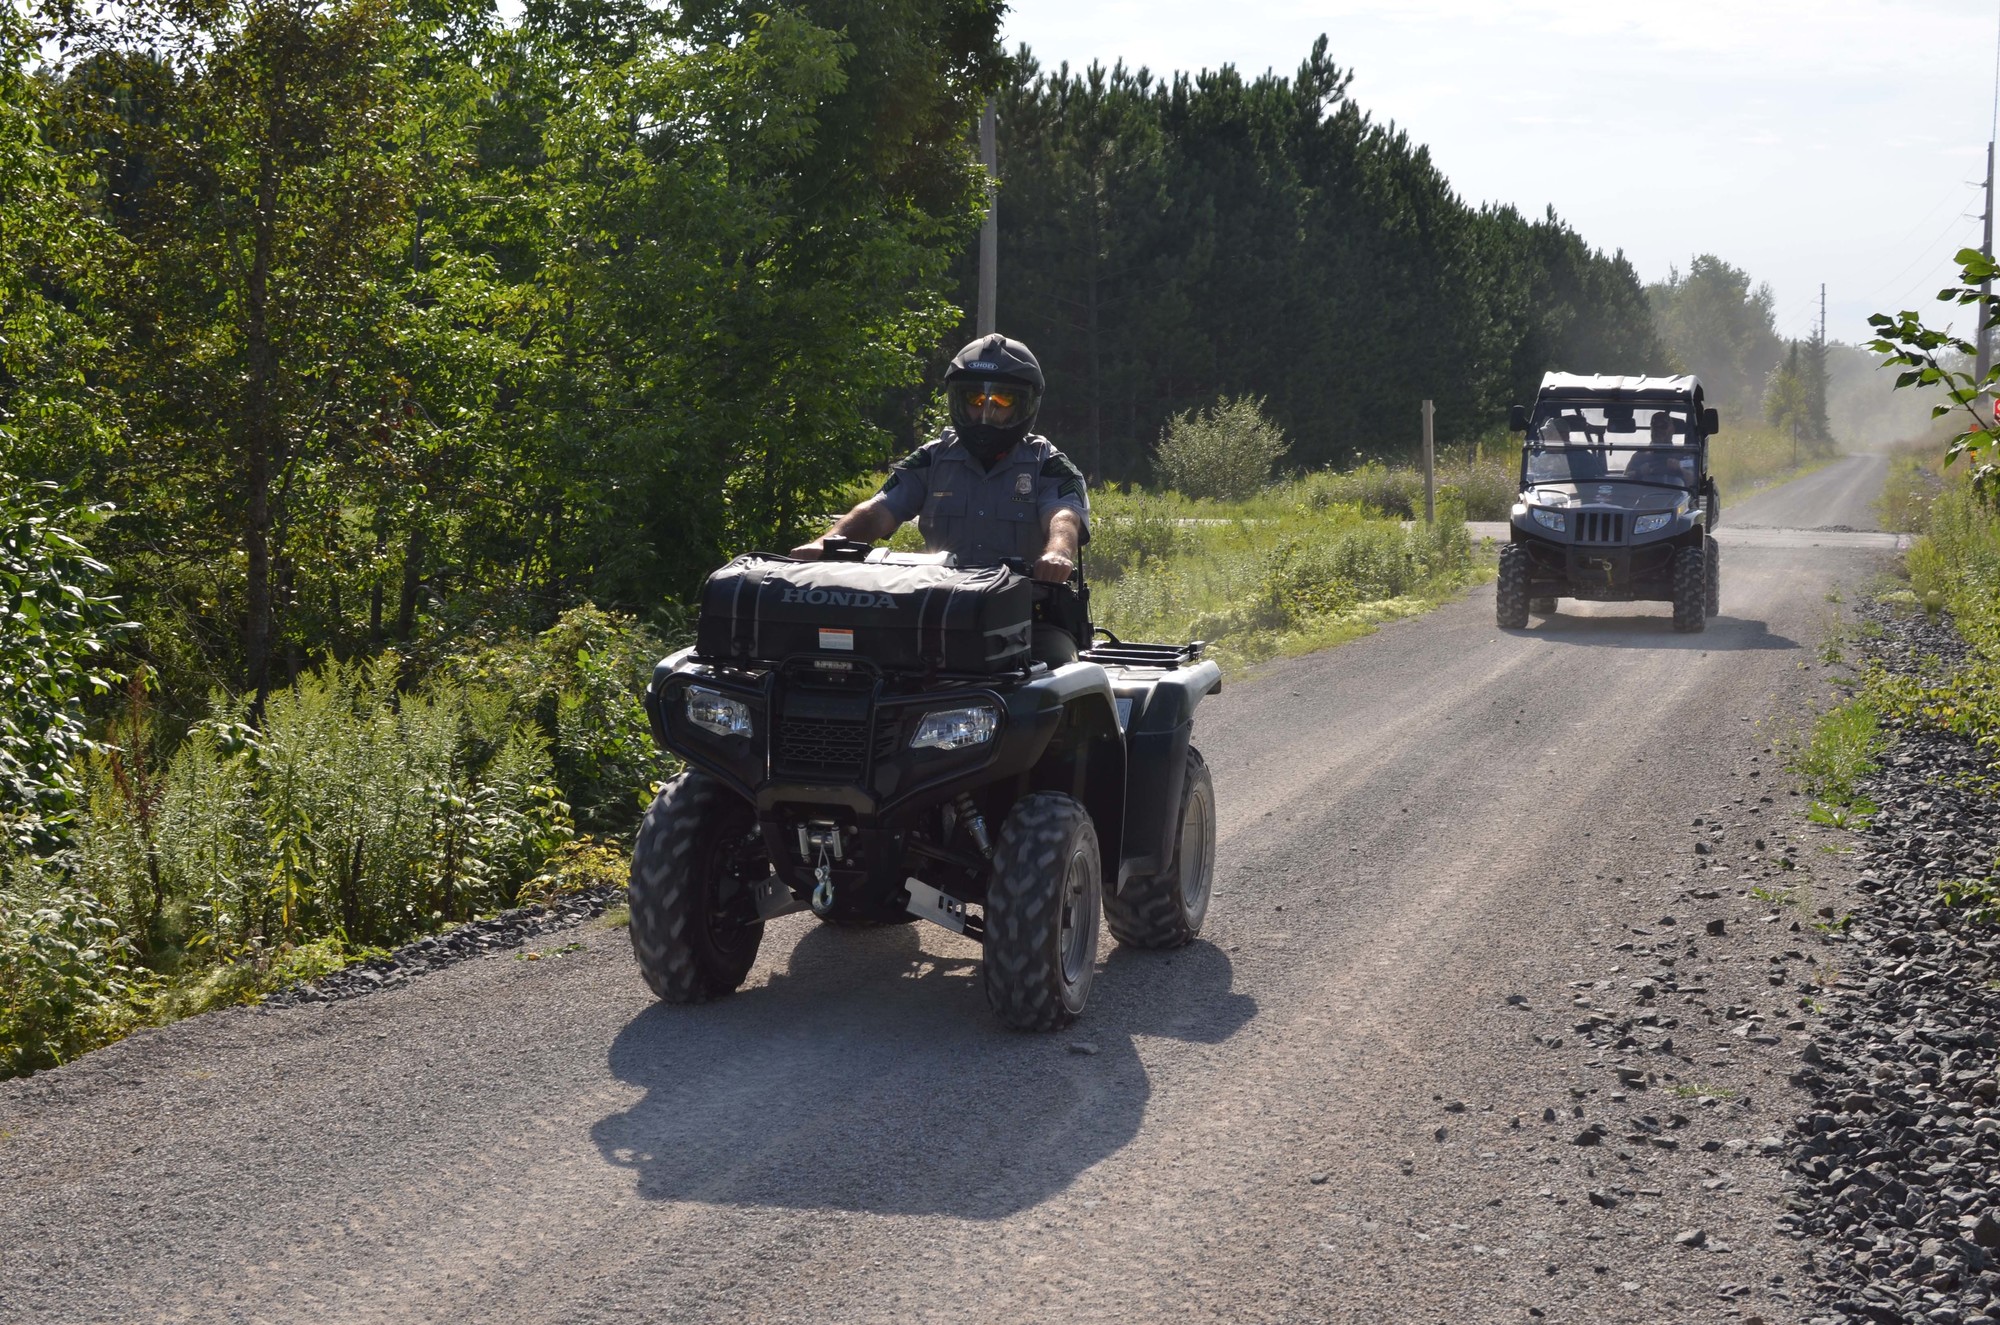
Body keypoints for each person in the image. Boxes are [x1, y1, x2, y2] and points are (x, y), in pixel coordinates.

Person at [792, 334, 1090, 664]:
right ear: (957, 403)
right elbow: (878, 510)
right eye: (974, 400)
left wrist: (1058, 554)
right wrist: (827, 542)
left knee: (1058, 672)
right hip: (937, 612)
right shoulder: (933, 458)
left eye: (1001, 402)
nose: (985, 413)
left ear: (1026, 406)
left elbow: (1064, 517)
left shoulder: (1047, 465)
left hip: (1026, 619)